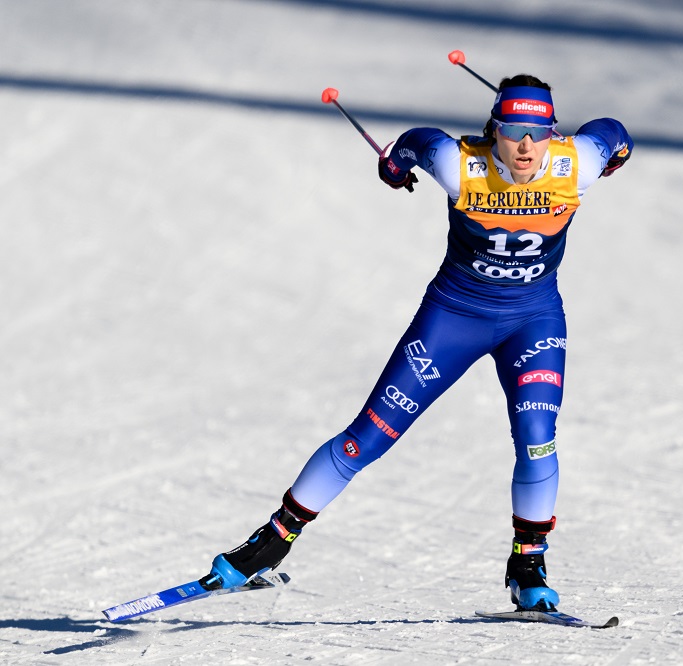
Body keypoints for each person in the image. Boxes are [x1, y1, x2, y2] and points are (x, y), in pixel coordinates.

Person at [201, 74, 633, 612]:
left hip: (533, 320)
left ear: (553, 133)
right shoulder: (460, 166)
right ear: (493, 130)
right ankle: (269, 543)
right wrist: (394, 163)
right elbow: (420, 139)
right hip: (454, 318)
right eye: (513, 130)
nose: (526, 146)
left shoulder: (576, 163)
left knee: (538, 438)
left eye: (539, 132)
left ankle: (529, 563)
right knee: (370, 436)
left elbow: (610, 132)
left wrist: (619, 151)